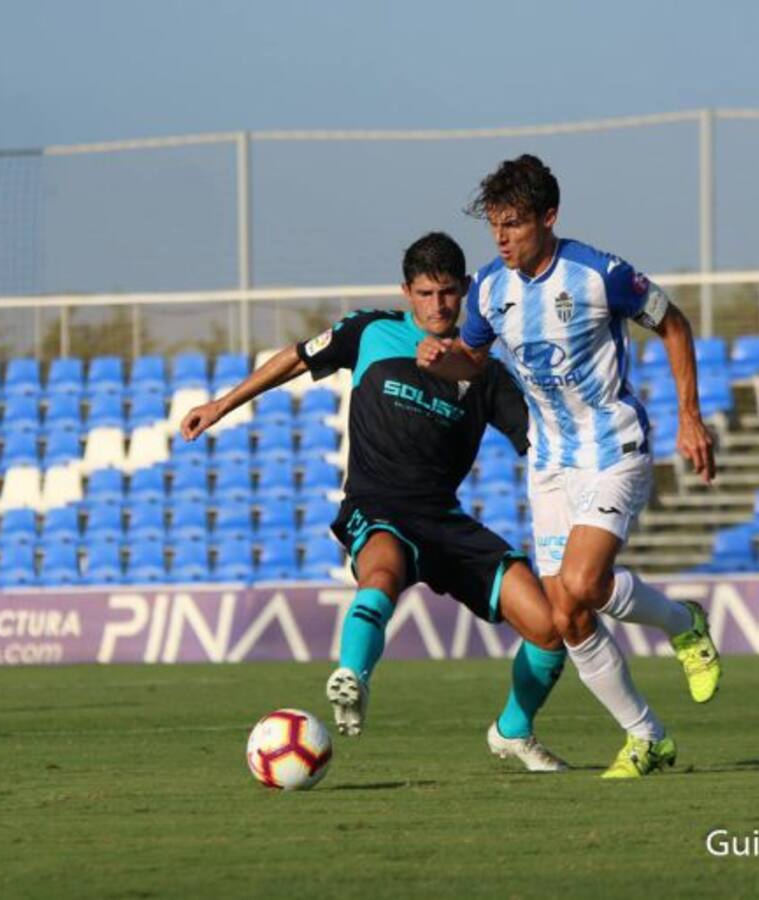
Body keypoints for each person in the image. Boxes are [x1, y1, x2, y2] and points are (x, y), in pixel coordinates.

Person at [183, 232, 570, 772]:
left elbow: (541, 445)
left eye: (448, 292)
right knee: (382, 571)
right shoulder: (371, 331)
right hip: (378, 504)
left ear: (465, 290)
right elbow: (296, 360)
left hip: (445, 519)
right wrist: (222, 405)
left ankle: (513, 730)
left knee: (550, 626)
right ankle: (353, 678)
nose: (438, 305)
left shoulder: (484, 373)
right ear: (407, 292)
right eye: (426, 293)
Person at [416, 154, 721, 778]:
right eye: (494, 226)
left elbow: (674, 324)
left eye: (513, 224)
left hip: (613, 450)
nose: (501, 239)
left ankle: (683, 624)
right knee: (569, 613)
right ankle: (647, 736)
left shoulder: (599, 274)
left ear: (548, 217)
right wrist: (443, 363)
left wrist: (690, 416)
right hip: (550, 463)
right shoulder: (489, 290)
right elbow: (473, 360)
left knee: (582, 583)